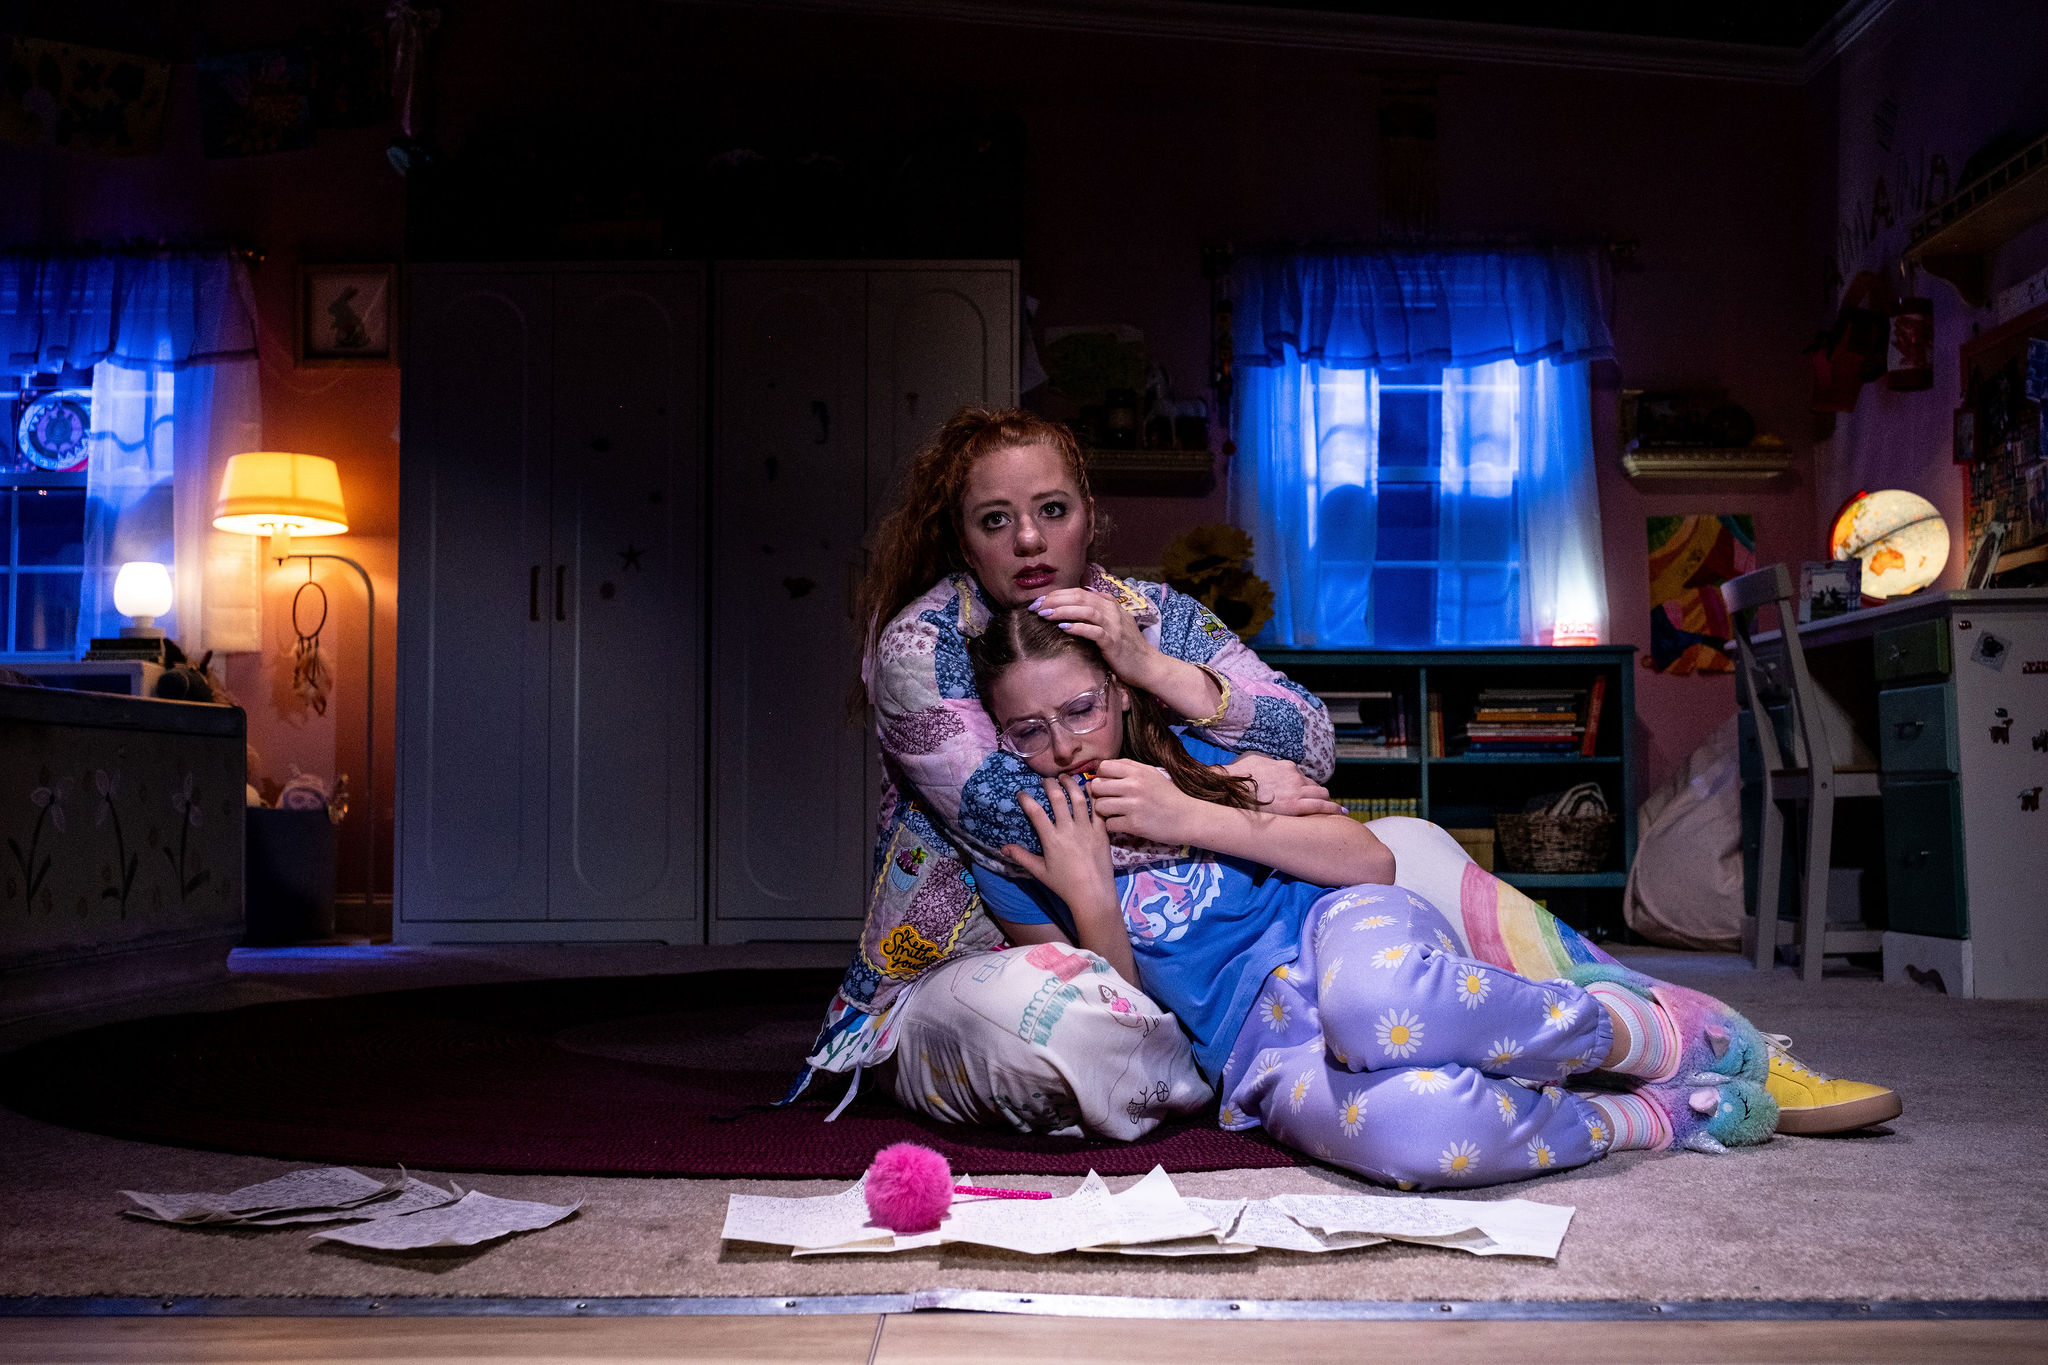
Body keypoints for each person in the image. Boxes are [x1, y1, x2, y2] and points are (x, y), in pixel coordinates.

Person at [966, 605, 1798, 1188]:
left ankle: (1637, 1029)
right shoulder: (1017, 859)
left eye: (1081, 708)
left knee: (1373, 1008)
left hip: (1343, 933)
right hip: (1256, 1051)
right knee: (1419, 1134)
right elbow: (1130, 1041)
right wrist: (1092, 897)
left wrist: (1188, 812)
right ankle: (1644, 1119)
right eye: (1028, 731)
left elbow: (1368, 860)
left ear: (1117, 689)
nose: (1064, 745)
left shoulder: (1192, 755)